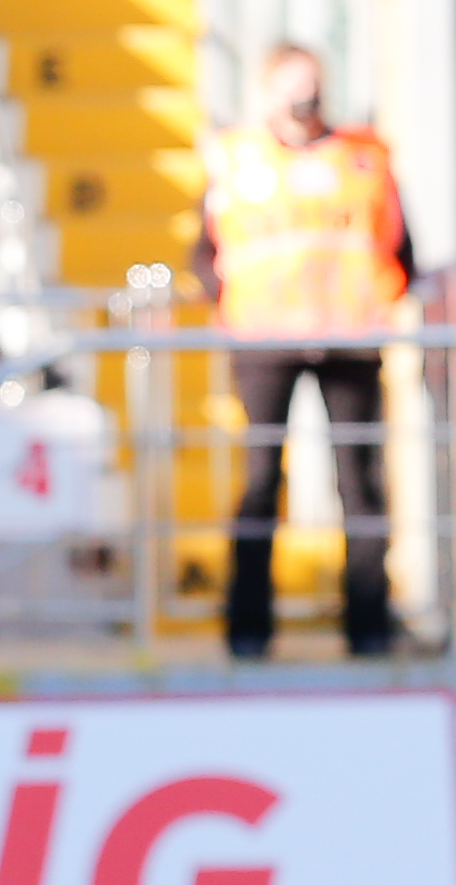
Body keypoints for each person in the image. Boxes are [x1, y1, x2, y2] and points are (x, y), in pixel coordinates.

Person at [195, 42, 412, 657]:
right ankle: (247, 632)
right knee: (261, 481)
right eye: (291, 86)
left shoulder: (364, 157)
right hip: (266, 344)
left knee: (360, 486)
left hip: (350, 342)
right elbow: (205, 252)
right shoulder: (237, 159)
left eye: (311, 84)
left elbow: (399, 245)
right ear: (266, 93)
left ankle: (370, 630)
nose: (304, 98)